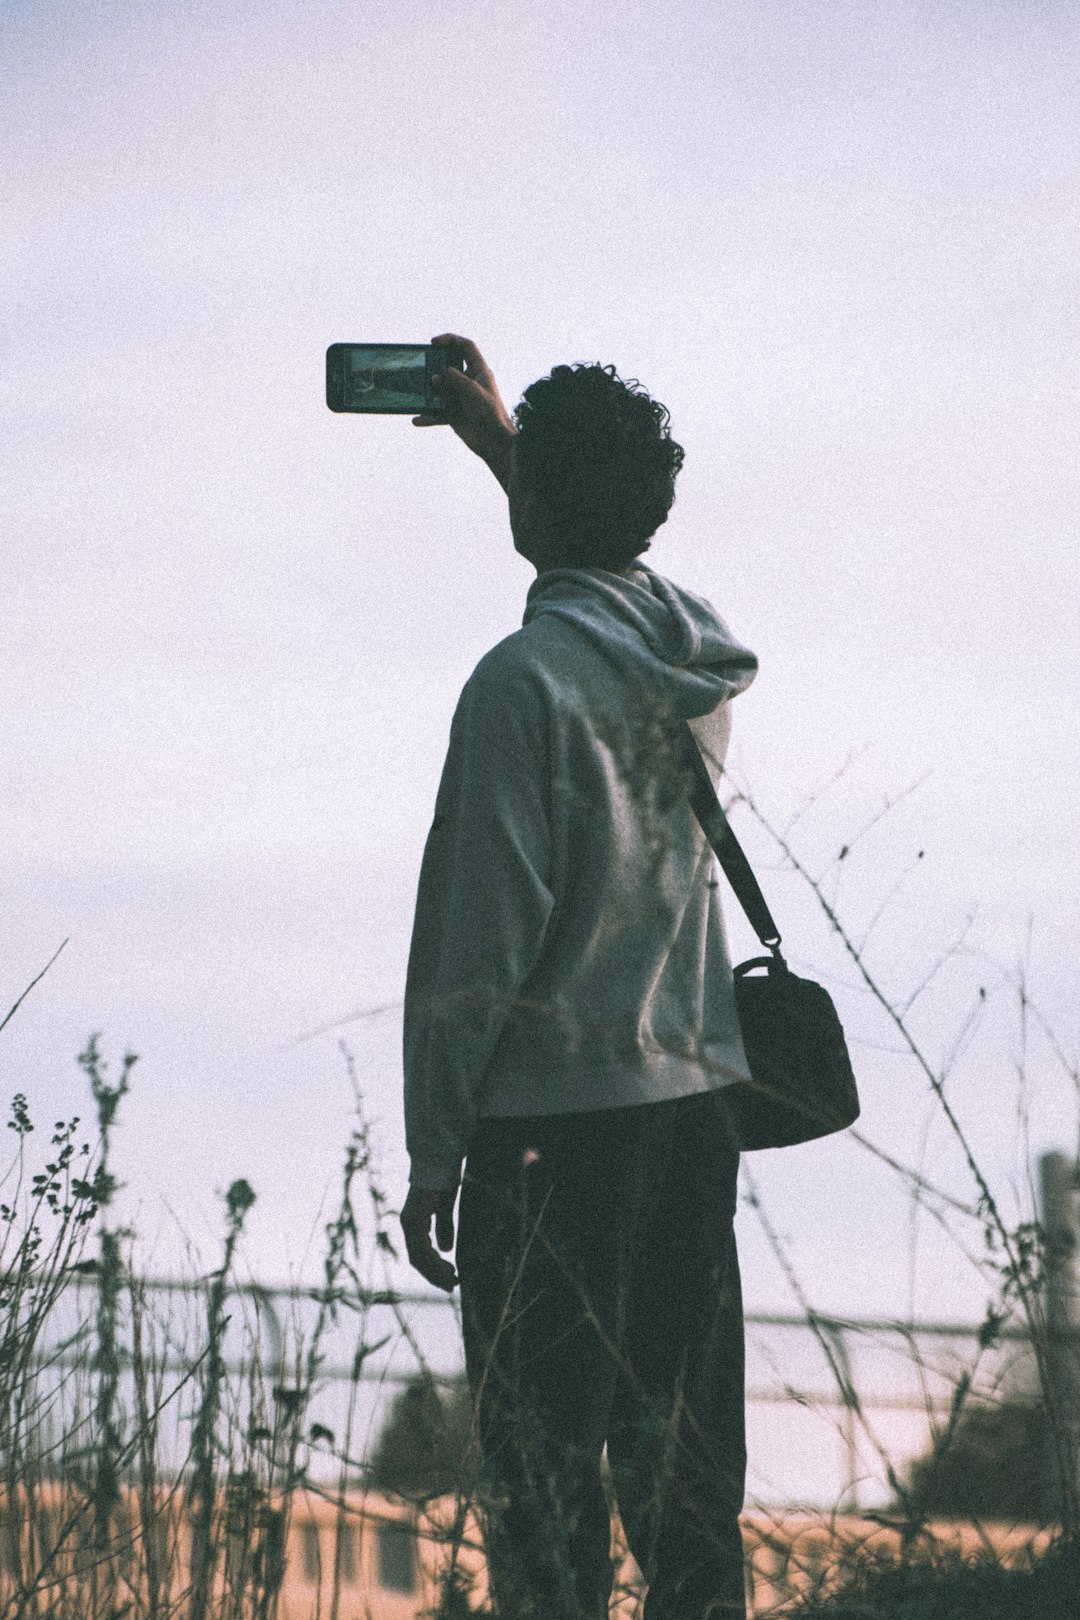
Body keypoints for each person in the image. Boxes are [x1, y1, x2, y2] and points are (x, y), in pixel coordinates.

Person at [399, 335, 758, 1620]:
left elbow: (475, 942)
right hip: (689, 1118)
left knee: (548, 1496)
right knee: (683, 1478)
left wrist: (436, 1155)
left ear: (540, 503)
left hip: (548, 1141)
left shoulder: (519, 686)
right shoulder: (694, 669)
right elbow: (598, 552)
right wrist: (512, 451)